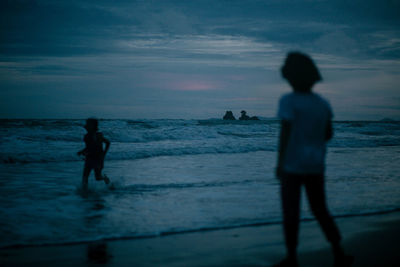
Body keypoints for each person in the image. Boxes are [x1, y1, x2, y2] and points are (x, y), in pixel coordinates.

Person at [274, 52, 353, 267]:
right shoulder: (322, 103)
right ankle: (338, 251)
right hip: (316, 165)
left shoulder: (288, 101)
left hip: (292, 165)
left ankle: (292, 257)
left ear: (290, 77)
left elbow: (285, 134)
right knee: (320, 209)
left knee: (291, 212)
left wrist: (279, 163)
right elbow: (328, 134)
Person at [78, 118, 111, 189]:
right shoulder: (86, 136)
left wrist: (104, 154)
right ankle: (85, 190)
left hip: (98, 159)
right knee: (85, 176)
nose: (85, 126)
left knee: (98, 177)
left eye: (87, 124)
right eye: (86, 124)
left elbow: (108, 142)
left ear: (93, 126)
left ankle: (105, 179)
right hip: (89, 158)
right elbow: (89, 147)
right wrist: (82, 151)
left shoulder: (99, 135)